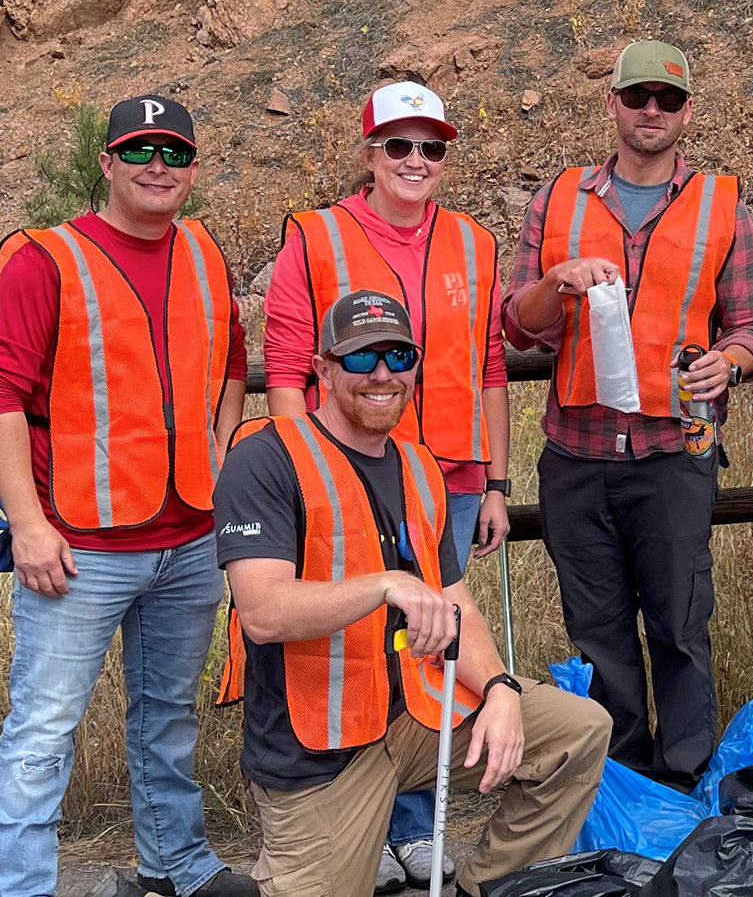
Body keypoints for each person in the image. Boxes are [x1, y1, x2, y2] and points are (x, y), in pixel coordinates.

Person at [213, 291, 610, 897]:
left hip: (419, 717)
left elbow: (458, 602)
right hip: (320, 754)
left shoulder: (418, 464)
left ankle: (488, 889)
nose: (382, 375)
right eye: (360, 358)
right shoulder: (265, 457)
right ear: (321, 369)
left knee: (576, 730)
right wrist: (385, 584)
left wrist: (500, 688)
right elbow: (263, 612)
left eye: (398, 357)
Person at [0, 96, 255, 896]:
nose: (158, 166)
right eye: (140, 151)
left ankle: (174, 864)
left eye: (174, 153)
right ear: (106, 162)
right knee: (42, 736)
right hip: (78, 547)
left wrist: (217, 461)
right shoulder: (44, 259)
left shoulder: (206, 253)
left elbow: (233, 367)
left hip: (187, 540)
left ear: (191, 169)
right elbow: (2, 395)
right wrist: (28, 525)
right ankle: (22, 884)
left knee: (167, 720)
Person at [503, 40, 753, 791]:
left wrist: (735, 361)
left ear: (687, 112)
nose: (652, 110)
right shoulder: (557, 200)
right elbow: (517, 326)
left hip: (672, 453)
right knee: (598, 636)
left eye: (669, 99)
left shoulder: (724, 205)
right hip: (578, 455)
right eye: (638, 96)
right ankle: (620, 782)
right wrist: (555, 282)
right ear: (611, 103)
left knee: (681, 628)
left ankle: (684, 783)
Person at [260, 81, 509, 887]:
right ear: (368, 153)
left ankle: (422, 823)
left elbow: (492, 365)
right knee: (365, 647)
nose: (414, 160)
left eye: (430, 146)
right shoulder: (318, 234)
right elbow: (292, 364)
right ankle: (376, 825)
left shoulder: (475, 240)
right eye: (397, 145)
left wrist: (497, 480)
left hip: (452, 478)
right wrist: (303, 462)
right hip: (351, 479)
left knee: (437, 643)